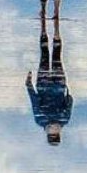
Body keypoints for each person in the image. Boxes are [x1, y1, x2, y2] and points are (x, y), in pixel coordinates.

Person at [26, 15, 72, 146]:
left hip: (59, 85)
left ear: (58, 135)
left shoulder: (64, 120)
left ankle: (56, 31)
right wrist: (28, 85)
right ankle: (43, 29)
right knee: (44, 55)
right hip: (43, 84)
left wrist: (67, 95)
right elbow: (35, 101)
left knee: (57, 56)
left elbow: (70, 101)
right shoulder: (40, 120)